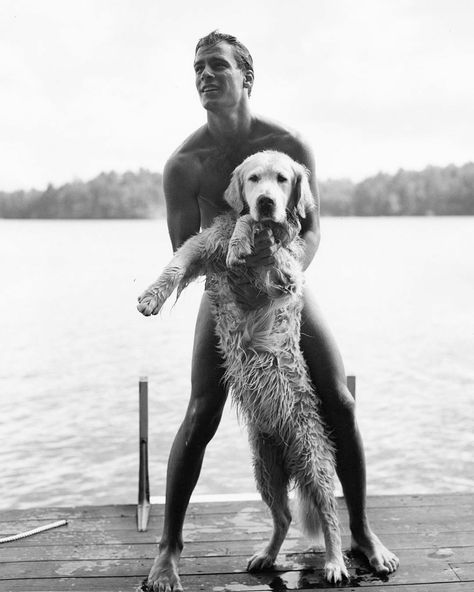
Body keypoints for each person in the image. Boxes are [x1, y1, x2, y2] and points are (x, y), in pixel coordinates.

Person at [146, 30, 399, 591]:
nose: (205, 76)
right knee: (202, 409)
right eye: (197, 69)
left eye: (217, 66)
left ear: (246, 77)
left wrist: (287, 274)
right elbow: (186, 252)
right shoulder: (185, 165)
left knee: (338, 397)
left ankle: (358, 529)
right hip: (225, 291)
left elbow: (310, 234)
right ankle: (168, 549)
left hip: (285, 281)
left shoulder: (289, 144)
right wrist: (236, 285)